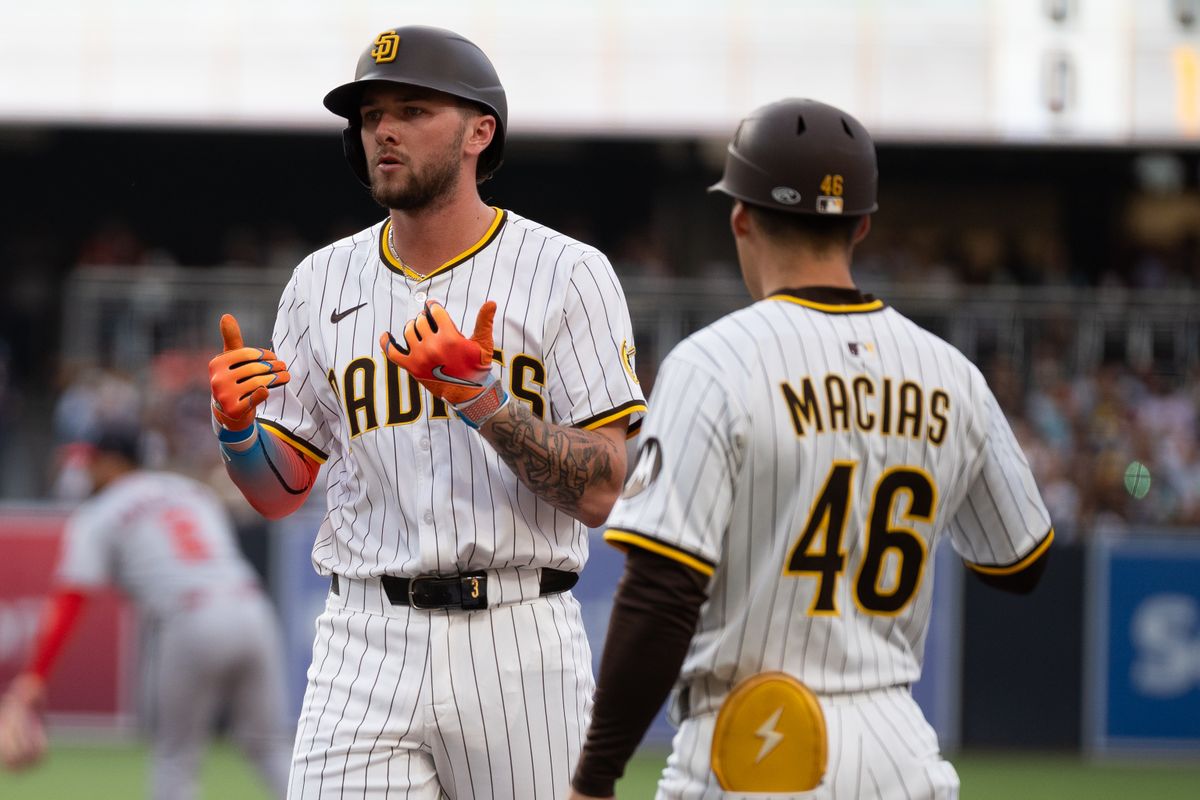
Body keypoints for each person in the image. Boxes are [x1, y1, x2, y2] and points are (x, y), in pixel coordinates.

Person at [568, 99, 1054, 799]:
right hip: (900, 751)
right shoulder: (953, 374)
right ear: (861, 224)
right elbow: (1022, 564)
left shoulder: (713, 362)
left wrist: (596, 775)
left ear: (739, 217)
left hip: (750, 746)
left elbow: (661, 593)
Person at [206, 25, 645, 800]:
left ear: (481, 132)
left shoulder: (567, 272)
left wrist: (485, 403)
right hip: (365, 637)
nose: (385, 130)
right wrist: (238, 433)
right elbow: (280, 491)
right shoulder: (320, 281)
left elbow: (604, 487)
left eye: (412, 110)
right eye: (372, 115)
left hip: (518, 634)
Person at [0, 424, 290, 800]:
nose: (86, 469)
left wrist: (34, 678)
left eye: (92, 460)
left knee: (175, 759)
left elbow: (69, 602)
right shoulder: (190, 490)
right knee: (270, 748)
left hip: (190, 620)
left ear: (112, 463)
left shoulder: (101, 513)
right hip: (253, 610)